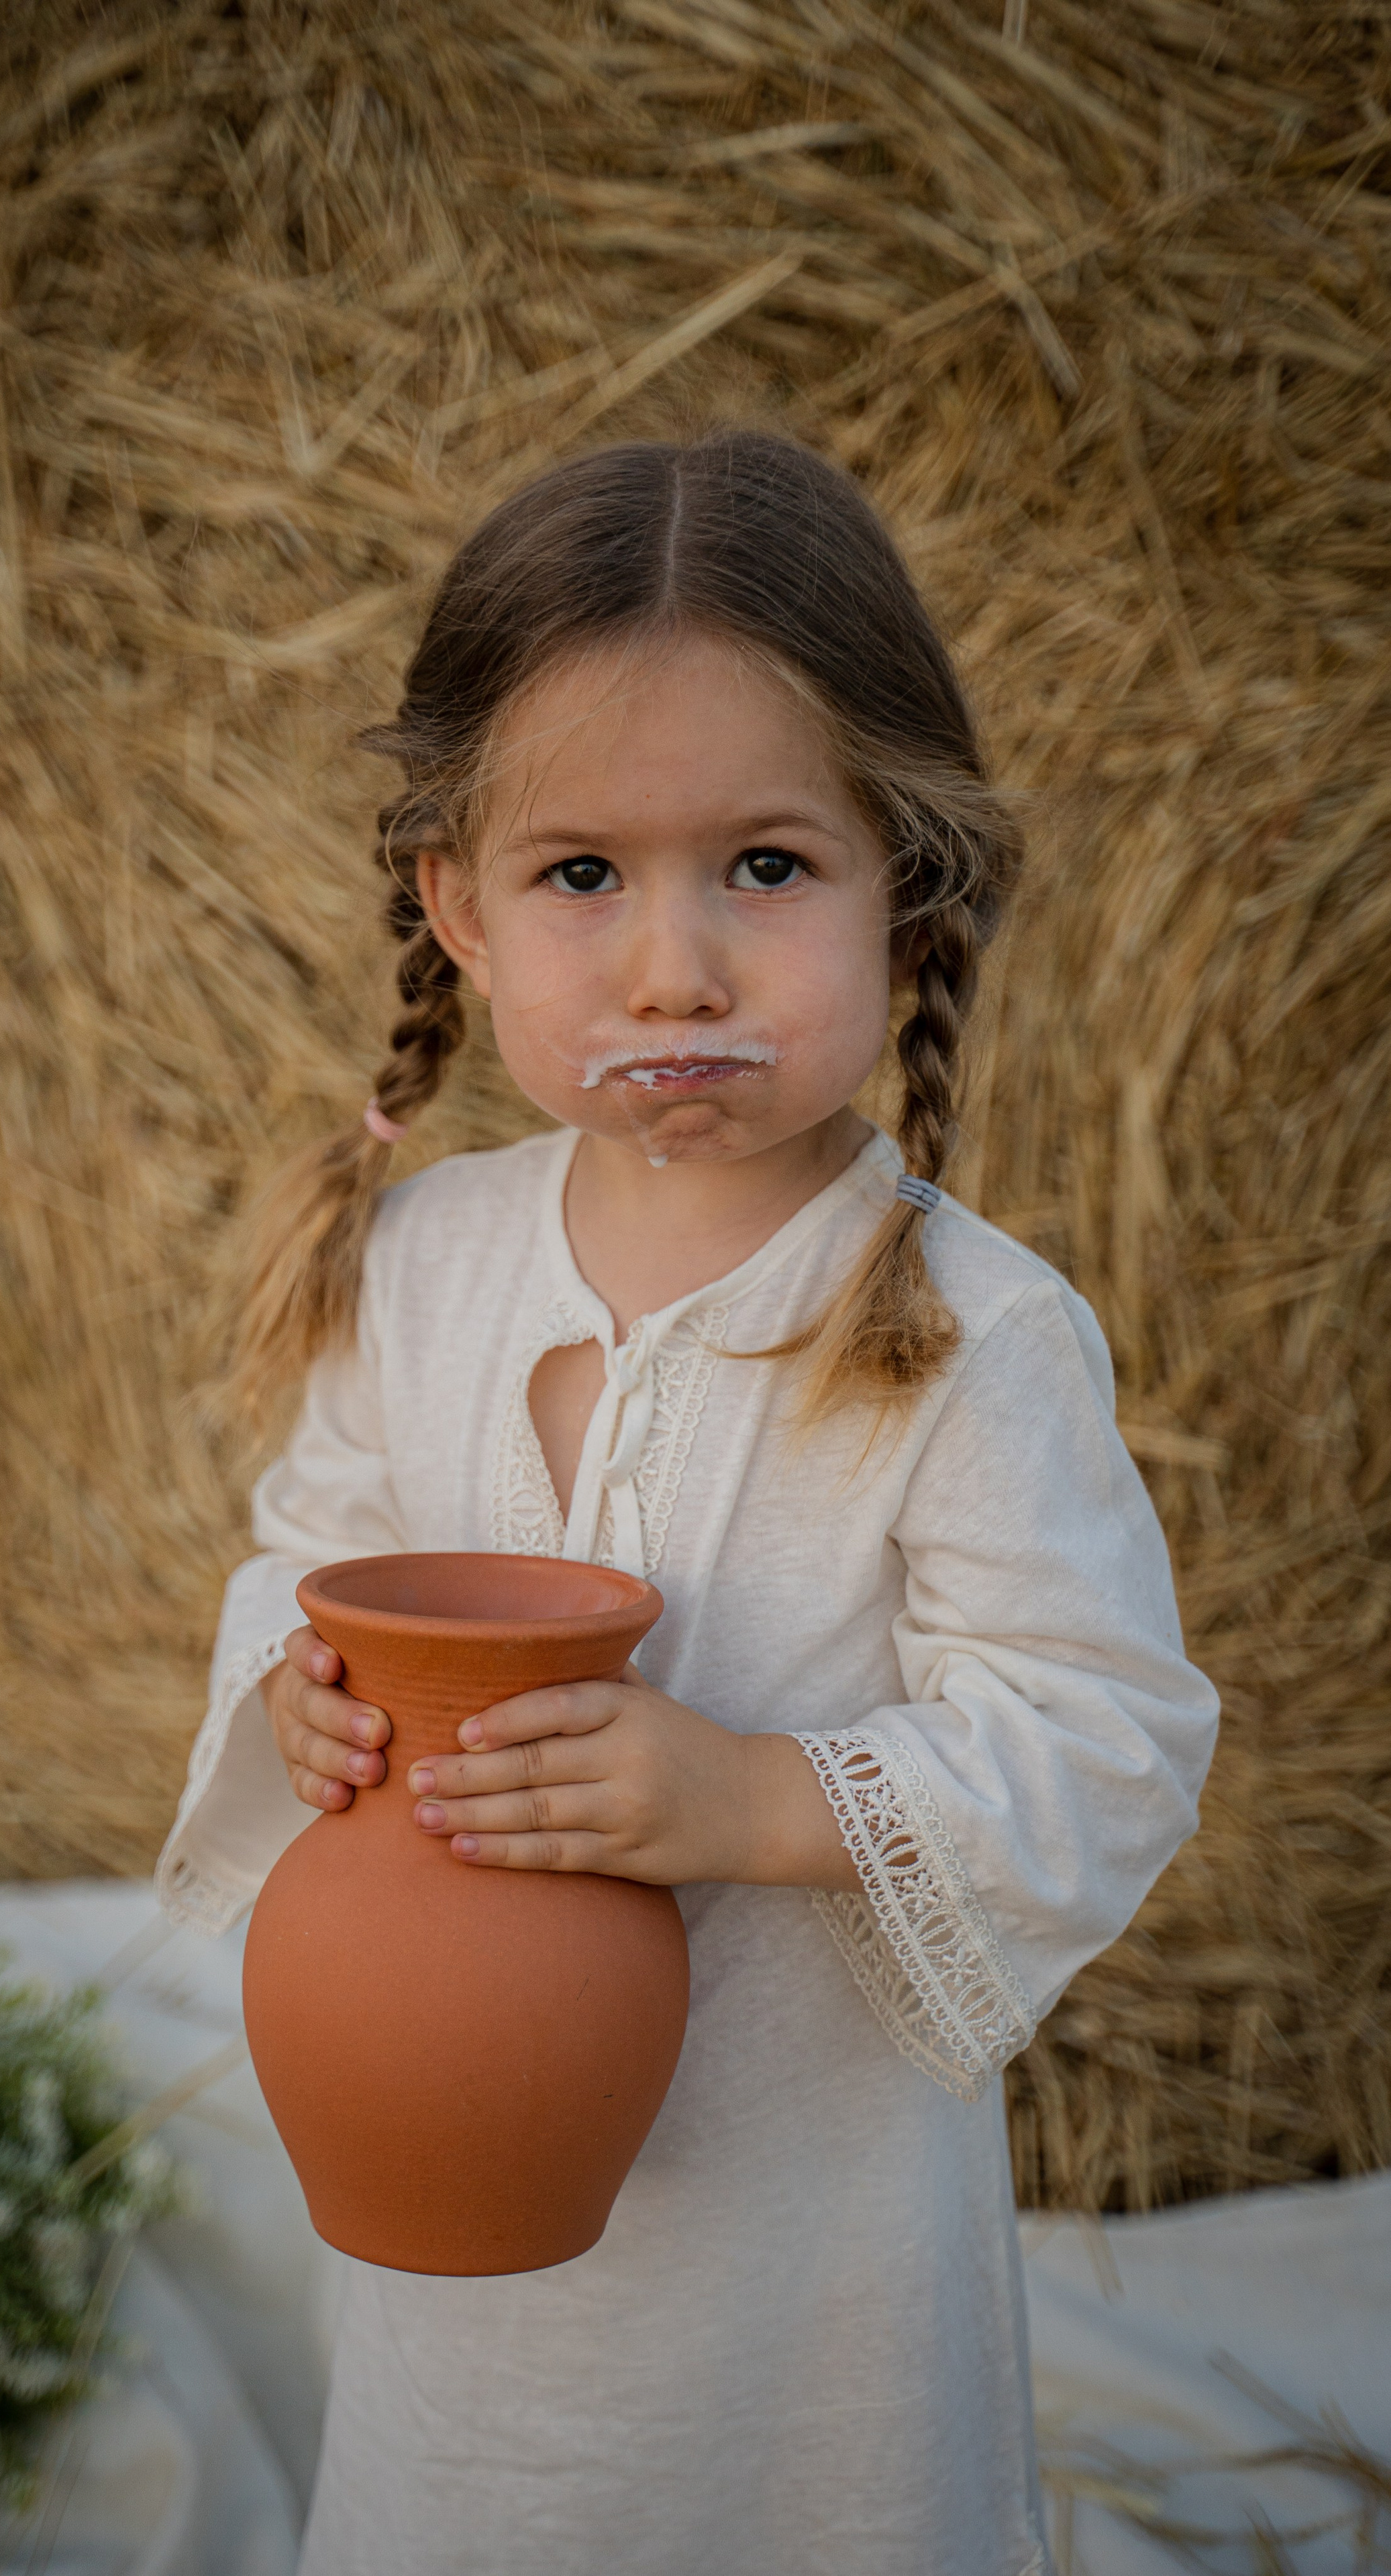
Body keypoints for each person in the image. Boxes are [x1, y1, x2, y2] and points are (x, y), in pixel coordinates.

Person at [156, 429, 1219, 2576]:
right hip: (459, 2220)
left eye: (762, 867)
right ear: (455, 903)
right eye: (582, 879)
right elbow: (309, 1539)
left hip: (802, 2248)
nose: (675, 969)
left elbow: (1105, 1734)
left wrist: (752, 1802)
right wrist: (305, 1686)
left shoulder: (968, 1335)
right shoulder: (431, 1266)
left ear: (903, 881)